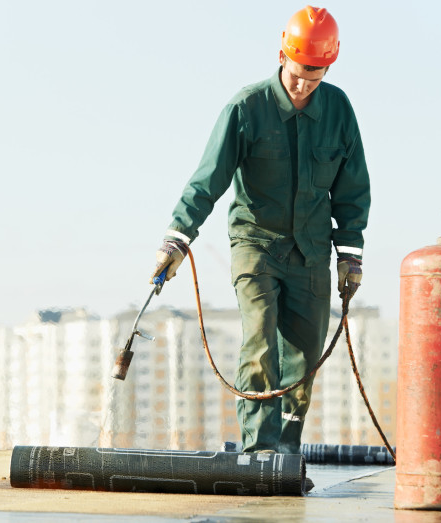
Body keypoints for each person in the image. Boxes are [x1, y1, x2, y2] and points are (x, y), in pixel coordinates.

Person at [151, 6, 370, 455]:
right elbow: (207, 180)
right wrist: (177, 239)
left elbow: (352, 190)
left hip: (310, 253)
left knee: (304, 359)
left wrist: (350, 256)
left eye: (315, 76)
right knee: (259, 344)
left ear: (329, 66)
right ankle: (258, 452)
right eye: (297, 74)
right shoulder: (246, 108)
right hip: (256, 244)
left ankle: (286, 451)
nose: (303, 85)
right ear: (281, 55)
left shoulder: (339, 111)